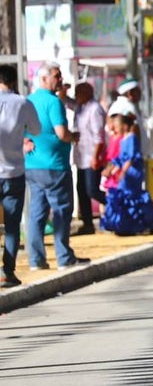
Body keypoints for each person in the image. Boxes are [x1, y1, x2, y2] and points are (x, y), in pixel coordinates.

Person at [24, 62, 88, 271]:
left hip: (32, 165)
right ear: (44, 79)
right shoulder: (54, 102)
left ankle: (36, 260)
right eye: (56, 76)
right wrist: (73, 137)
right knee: (61, 210)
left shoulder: (28, 101)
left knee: (37, 213)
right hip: (55, 165)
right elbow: (61, 133)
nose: (60, 80)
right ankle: (63, 257)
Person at [0, 65, 41, 287]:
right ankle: (7, 271)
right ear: (14, 81)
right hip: (13, 172)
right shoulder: (23, 103)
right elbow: (36, 130)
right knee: (12, 225)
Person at [101, 111, 153, 236]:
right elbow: (120, 158)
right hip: (125, 171)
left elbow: (130, 157)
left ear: (124, 126)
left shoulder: (132, 138)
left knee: (131, 196)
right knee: (124, 196)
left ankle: (140, 223)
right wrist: (111, 170)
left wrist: (123, 172)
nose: (115, 129)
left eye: (117, 126)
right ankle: (126, 225)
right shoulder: (123, 139)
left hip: (132, 172)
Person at [71, 82, 107, 234]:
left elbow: (99, 136)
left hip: (92, 156)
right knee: (82, 190)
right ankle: (87, 224)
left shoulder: (94, 109)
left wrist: (95, 157)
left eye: (78, 93)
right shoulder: (80, 108)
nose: (76, 96)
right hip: (81, 156)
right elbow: (66, 102)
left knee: (92, 189)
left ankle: (115, 203)